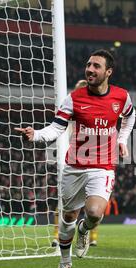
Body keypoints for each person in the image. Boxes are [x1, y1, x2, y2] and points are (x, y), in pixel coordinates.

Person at [15, 49, 136, 268]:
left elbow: (131, 116)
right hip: (75, 166)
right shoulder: (74, 98)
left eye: (96, 66)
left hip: (103, 166)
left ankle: (84, 229)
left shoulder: (121, 97)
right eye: (88, 64)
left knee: (93, 212)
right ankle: (64, 262)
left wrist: (121, 139)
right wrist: (36, 135)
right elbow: (56, 128)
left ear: (108, 72)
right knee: (68, 217)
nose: (90, 69)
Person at [51, 79, 89, 248]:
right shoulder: (69, 105)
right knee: (64, 204)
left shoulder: (90, 110)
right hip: (66, 158)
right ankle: (56, 235)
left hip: (87, 161)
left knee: (90, 206)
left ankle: (89, 234)